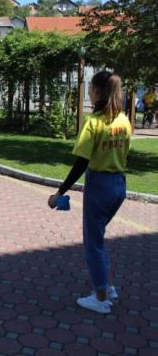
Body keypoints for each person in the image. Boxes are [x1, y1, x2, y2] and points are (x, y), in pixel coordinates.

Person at [48, 71, 131, 314]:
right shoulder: (124, 120)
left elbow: (81, 163)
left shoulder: (93, 122)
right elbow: (126, 154)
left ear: (96, 92)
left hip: (100, 185)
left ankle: (101, 298)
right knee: (99, 237)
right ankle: (109, 287)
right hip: (119, 184)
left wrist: (58, 193)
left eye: (90, 89)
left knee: (93, 243)